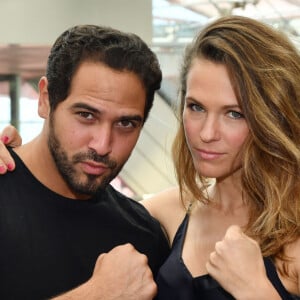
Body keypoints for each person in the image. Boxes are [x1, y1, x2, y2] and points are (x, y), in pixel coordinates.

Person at [2, 16, 300, 300]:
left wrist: (255, 290)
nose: (207, 133)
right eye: (196, 107)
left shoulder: (293, 229)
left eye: (234, 113)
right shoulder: (162, 216)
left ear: (272, 117)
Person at [0, 24, 170, 299]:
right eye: (86, 115)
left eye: (126, 123)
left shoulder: (142, 237)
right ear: (45, 99)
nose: (102, 145)